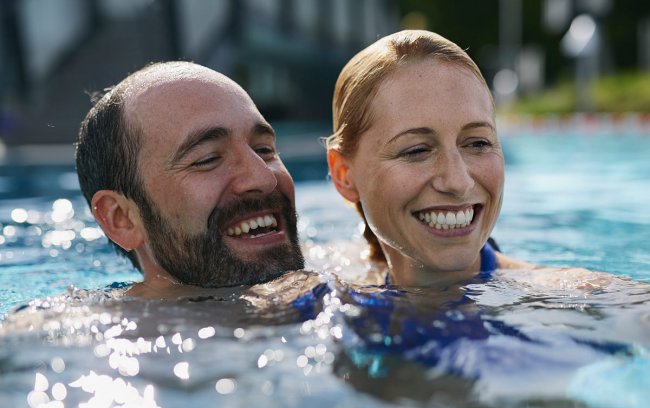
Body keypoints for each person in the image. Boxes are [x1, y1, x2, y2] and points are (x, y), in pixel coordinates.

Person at [75, 61, 306, 299]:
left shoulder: (338, 283)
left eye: (264, 149)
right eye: (208, 159)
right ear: (122, 219)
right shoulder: (85, 332)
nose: (263, 178)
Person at [325, 30, 536, 288]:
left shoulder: (570, 302)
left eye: (478, 143)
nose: (458, 182)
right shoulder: (323, 288)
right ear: (343, 175)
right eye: (417, 151)